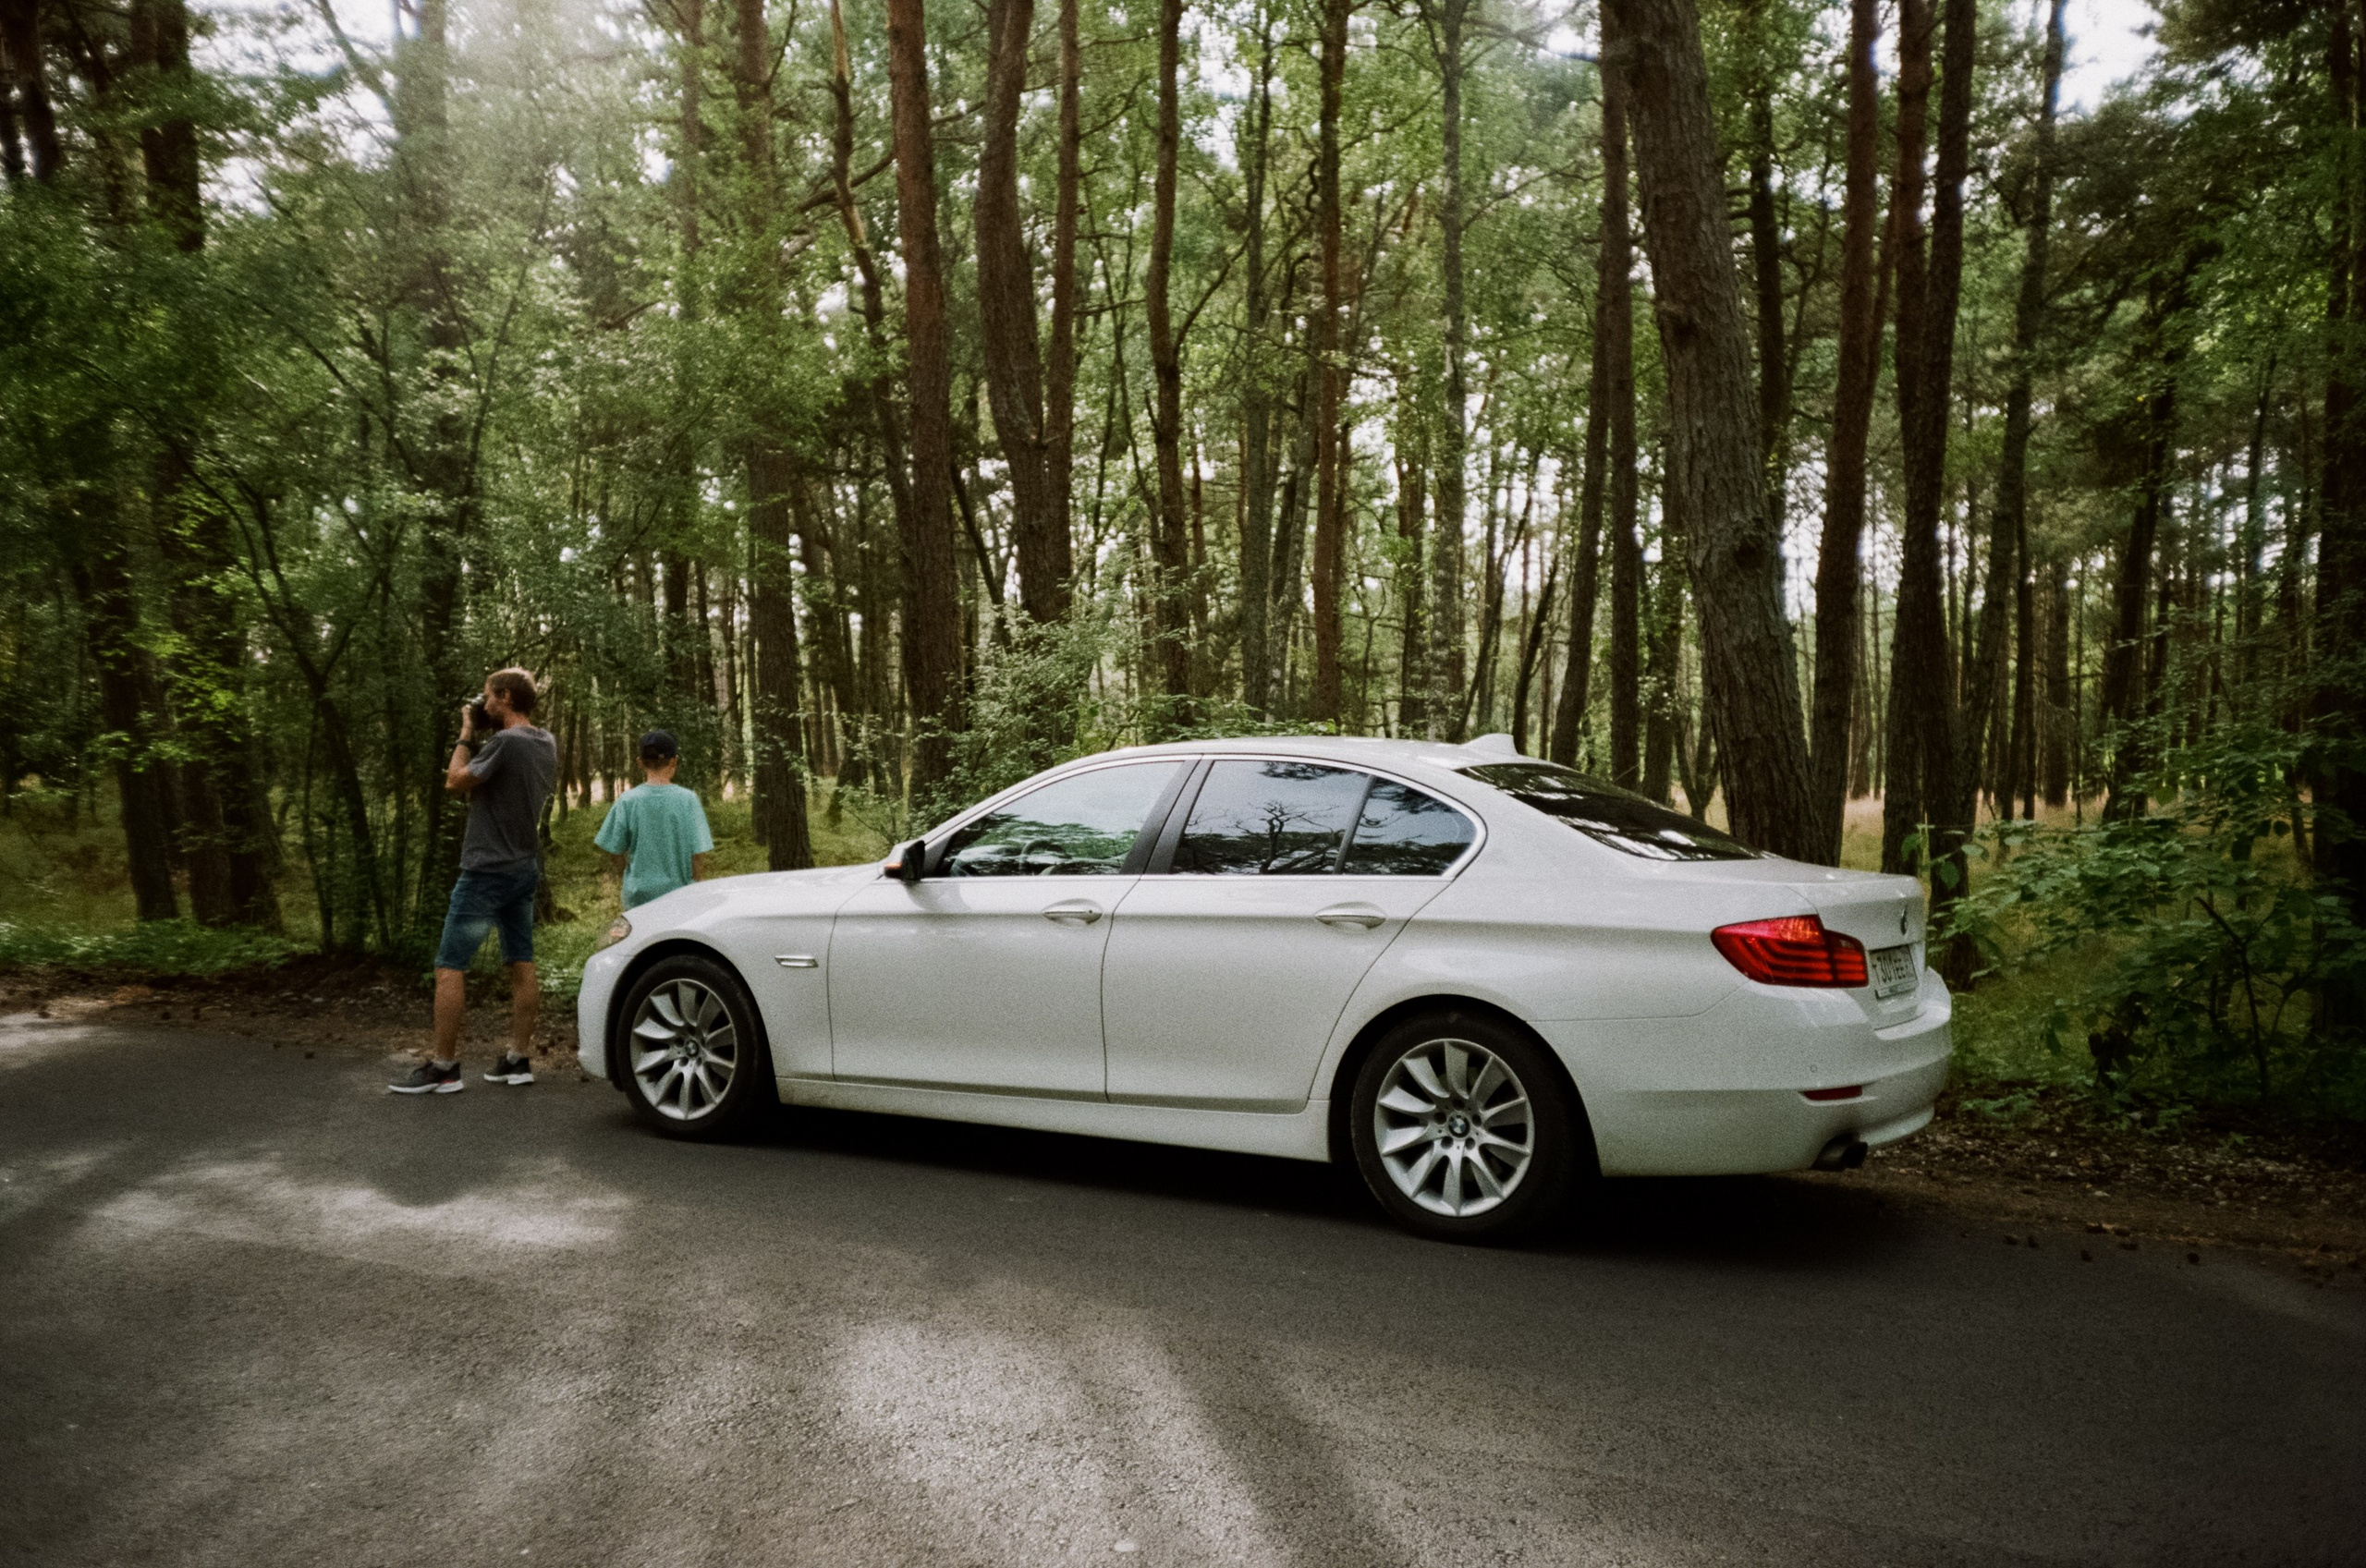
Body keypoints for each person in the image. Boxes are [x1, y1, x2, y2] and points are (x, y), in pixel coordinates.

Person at [390, 667, 559, 1095]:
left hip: (486, 871)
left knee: (450, 966)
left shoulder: (504, 742)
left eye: (488, 697)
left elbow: (454, 781)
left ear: (504, 696)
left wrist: (467, 732)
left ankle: (444, 1068)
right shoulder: (545, 741)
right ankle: (518, 1060)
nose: (484, 705)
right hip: (524, 868)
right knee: (521, 962)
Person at [594, 729, 713, 909]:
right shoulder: (688, 800)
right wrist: (695, 885)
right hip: (680, 896)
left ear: (640, 763)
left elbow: (614, 849)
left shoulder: (628, 800)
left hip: (638, 898)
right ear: (674, 761)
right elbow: (698, 855)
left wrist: (628, 876)